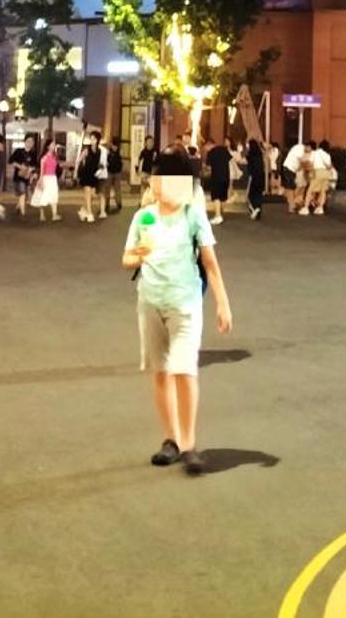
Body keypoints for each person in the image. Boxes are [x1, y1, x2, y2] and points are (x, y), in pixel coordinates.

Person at [121, 151, 232, 477]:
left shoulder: (193, 216)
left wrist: (223, 303)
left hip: (185, 303)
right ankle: (170, 440)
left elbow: (210, 264)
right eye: (157, 179)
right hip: (150, 301)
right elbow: (126, 260)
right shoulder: (143, 218)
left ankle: (188, 444)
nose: (159, 185)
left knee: (184, 370)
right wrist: (140, 253)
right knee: (161, 372)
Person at [76, 131, 104, 222]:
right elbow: (78, 161)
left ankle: (83, 210)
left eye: (94, 139)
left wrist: (101, 167)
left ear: (97, 140)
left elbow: (98, 163)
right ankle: (89, 213)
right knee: (88, 193)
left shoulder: (99, 151)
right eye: (91, 139)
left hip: (94, 175)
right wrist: (75, 172)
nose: (92, 140)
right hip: (86, 174)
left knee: (92, 195)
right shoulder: (86, 150)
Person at [204, 138, 232, 224]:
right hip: (226, 176)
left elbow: (209, 167)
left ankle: (218, 215)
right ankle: (220, 214)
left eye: (205, 147)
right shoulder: (224, 150)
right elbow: (230, 161)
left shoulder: (211, 153)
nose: (205, 149)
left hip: (216, 177)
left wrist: (205, 170)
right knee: (223, 197)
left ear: (209, 145)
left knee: (216, 197)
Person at [33, 141, 61, 221]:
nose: (54, 146)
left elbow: (57, 166)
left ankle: (54, 214)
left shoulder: (55, 156)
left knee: (53, 195)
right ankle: (42, 214)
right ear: (47, 146)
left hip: (53, 178)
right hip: (46, 178)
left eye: (54, 144)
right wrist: (40, 180)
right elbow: (41, 171)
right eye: (52, 144)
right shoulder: (44, 158)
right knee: (42, 196)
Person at [305, 142, 334, 215]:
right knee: (323, 191)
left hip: (317, 172)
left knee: (310, 190)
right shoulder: (327, 155)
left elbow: (310, 163)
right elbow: (329, 166)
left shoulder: (314, 153)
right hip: (325, 173)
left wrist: (310, 172)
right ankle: (320, 208)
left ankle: (306, 207)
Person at [244, 138, 268, 221]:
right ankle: (258, 209)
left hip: (253, 177)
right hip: (260, 176)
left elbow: (245, 162)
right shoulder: (260, 154)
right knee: (258, 194)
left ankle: (254, 209)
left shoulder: (250, 155)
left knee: (250, 195)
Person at [281, 136, 307, 212]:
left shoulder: (297, 147)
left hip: (289, 168)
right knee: (290, 188)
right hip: (290, 168)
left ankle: (292, 204)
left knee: (291, 187)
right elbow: (301, 161)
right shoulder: (300, 148)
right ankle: (292, 206)